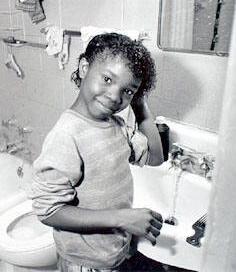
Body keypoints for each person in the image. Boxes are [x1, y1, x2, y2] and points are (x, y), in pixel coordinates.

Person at [30, 33, 165, 271]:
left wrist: (139, 104)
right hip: (86, 264)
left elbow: (156, 158)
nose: (115, 96)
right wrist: (122, 218)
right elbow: (48, 211)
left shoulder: (118, 126)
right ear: (84, 68)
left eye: (128, 91)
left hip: (115, 253)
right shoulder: (67, 134)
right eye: (107, 79)